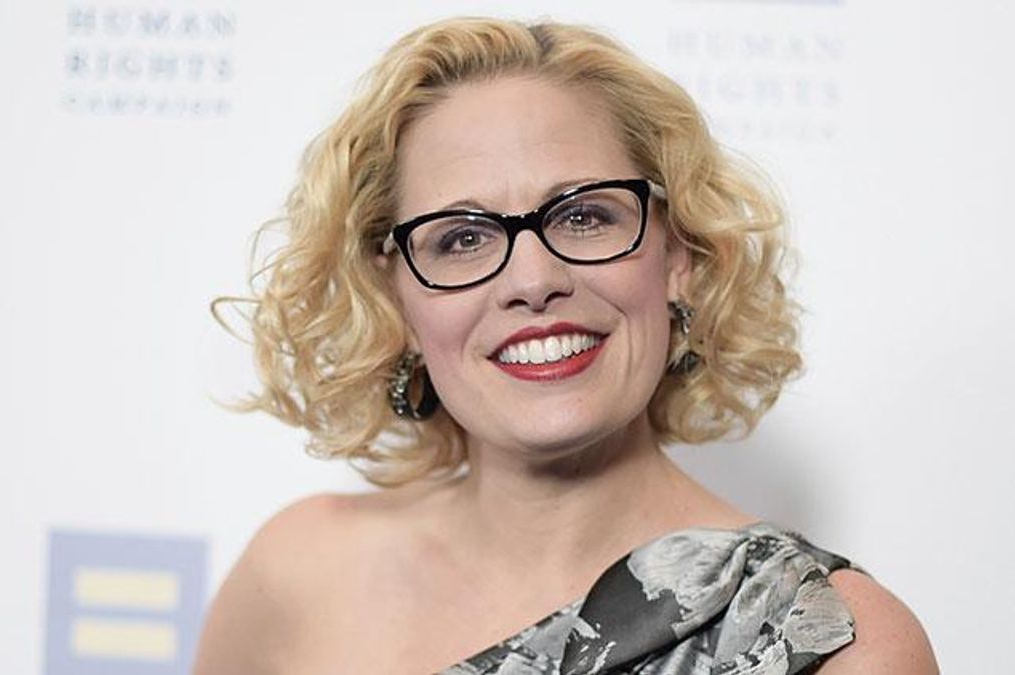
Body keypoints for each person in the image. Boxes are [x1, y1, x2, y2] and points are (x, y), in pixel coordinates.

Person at [193, 16, 939, 675]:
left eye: (583, 217)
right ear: (396, 299)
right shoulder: (296, 574)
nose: (533, 280)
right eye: (462, 238)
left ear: (677, 257)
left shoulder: (831, 639)